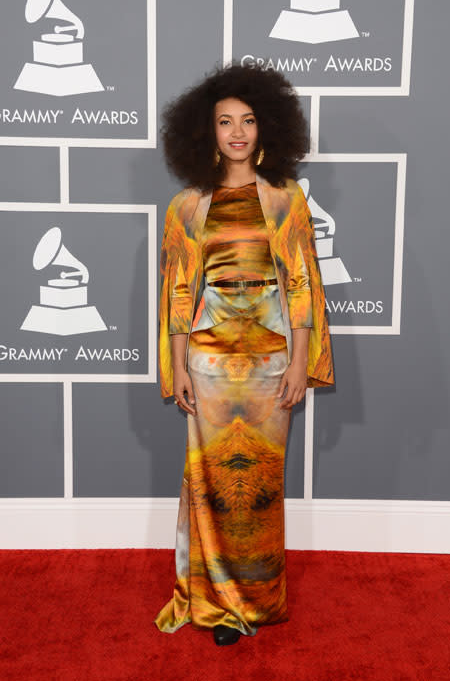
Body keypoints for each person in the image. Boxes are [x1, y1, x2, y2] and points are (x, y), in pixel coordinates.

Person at [154, 61, 334, 646]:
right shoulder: (185, 207)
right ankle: (215, 602)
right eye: (224, 121)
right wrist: (178, 364)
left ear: (266, 128)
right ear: (203, 133)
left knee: (258, 487)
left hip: (269, 358)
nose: (237, 131)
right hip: (207, 361)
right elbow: (180, 291)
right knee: (209, 483)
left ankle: (257, 599)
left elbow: (303, 282)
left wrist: (300, 362)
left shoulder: (286, 201)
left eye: (248, 120)